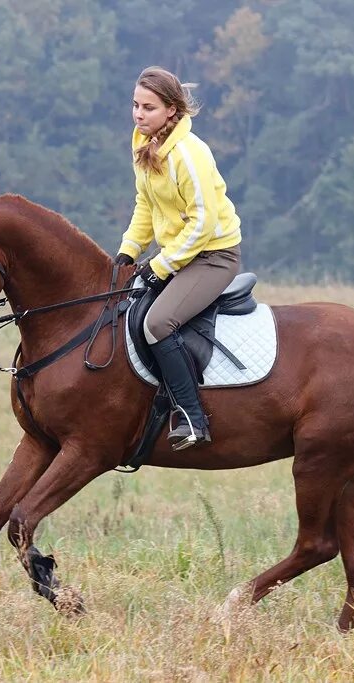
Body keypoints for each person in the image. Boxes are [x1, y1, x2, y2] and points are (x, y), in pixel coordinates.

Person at [114, 66, 242, 451]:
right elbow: (145, 204)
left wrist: (159, 267)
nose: (139, 114)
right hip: (179, 254)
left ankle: (192, 416)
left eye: (149, 108)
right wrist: (127, 252)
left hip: (213, 255)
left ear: (172, 110)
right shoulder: (143, 142)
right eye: (136, 105)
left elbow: (203, 224)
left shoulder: (189, 155)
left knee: (157, 323)